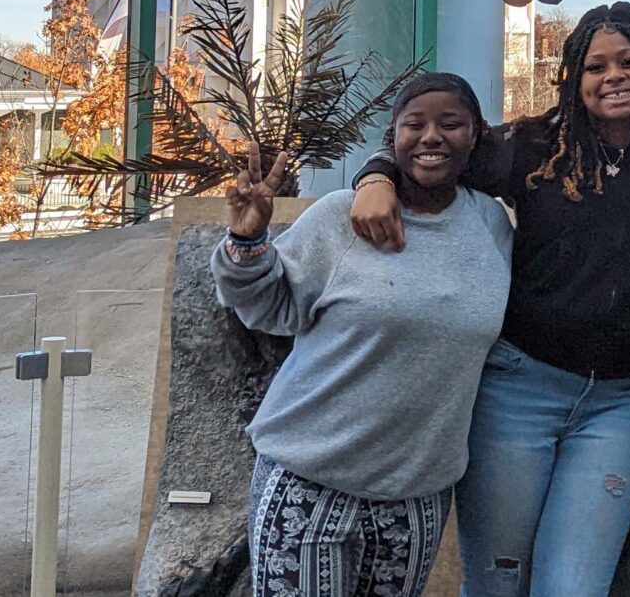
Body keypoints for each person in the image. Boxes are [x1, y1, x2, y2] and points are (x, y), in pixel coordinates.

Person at [346, 2, 630, 597]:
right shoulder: (534, 145)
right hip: (518, 391)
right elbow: (434, 150)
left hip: (619, 404)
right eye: (595, 66)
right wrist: (376, 175)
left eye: (629, 61)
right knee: (497, 583)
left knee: (576, 587)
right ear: (574, 78)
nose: (613, 76)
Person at [210, 72, 514, 597]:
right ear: (393, 136)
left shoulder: (491, 225)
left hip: (416, 496)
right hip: (309, 482)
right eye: (413, 124)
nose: (431, 137)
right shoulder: (338, 216)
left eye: (450, 124)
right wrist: (248, 238)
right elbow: (269, 308)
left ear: (476, 135)